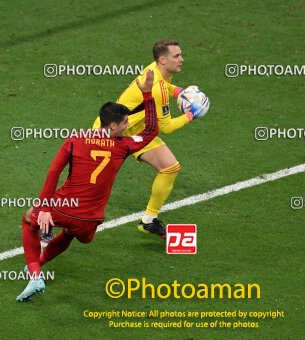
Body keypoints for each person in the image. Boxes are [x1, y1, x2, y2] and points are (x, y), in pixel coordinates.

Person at [16, 70, 156, 302]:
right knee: (71, 232)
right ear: (112, 125)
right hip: (92, 219)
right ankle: (38, 266)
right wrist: (148, 94)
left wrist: (43, 209)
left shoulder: (75, 140)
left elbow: (53, 172)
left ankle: (35, 276)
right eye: (125, 122)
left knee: (28, 218)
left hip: (65, 207)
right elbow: (152, 130)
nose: (128, 125)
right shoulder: (124, 147)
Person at [91, 39, 208, 238]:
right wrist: (192, 114)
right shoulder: (157, 87)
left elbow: (165, 88)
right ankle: (45, 217)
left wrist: (179, 91)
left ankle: (148, 220)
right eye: (176, 56)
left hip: (134, 130)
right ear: (163, 59)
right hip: (108, 132)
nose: (181, 59)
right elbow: (167, 127)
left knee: (170, 167)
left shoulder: (156, 70)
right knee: (86, 182)